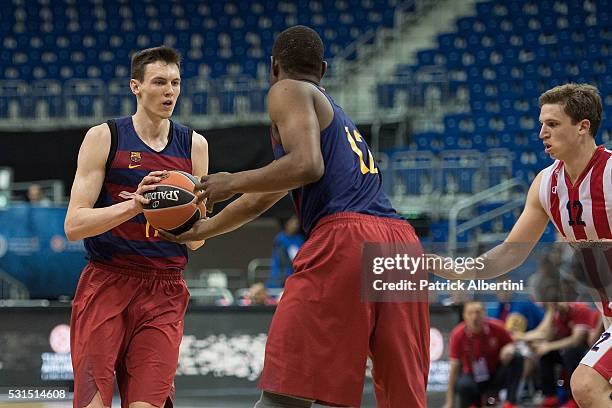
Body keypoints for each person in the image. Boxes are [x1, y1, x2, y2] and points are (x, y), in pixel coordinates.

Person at [160, 26, 430, 407]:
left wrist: (229, 181)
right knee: (401, 392)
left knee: (291, 383)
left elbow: (306, 165)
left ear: (274, 68)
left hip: (348, 237)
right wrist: (203, 229)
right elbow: (266, 194)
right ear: (323, 67)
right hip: (400, 244)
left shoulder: (288, 90)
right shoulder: (334, 115)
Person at [434, 83, 612, 407]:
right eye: (541, 124)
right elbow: (512, 251)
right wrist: (463, 271)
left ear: (583, 127)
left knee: (586, 384)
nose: (542, 132)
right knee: (587, 385)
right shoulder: (546, 184)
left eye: (553, 124)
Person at [64, 46, 208, 408]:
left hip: (164, 289)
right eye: (159, 82)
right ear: (136, 87)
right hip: (108, 280)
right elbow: (74, 225)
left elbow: (197, 243)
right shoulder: (105, 137)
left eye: (175, 83)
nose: (169, 91)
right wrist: (135, 205)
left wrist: (187, 217)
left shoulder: (195, 145)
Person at [514, 302, 596, 407]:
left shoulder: (580, 309)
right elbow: (547, 336)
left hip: (586, 353)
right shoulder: (556, 314)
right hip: (566, 352)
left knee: (569, 352)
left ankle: (573, 399)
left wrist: (549, 346)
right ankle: (550, 396)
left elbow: (576, 340)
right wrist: (551, 313)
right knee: (545, 353)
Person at [444, 301, 524, 408]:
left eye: (478, 312)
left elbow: (513, 344)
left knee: (517, 357)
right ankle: (472, 404)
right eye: (470, 313)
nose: (474, 317)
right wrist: (449, 402)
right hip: (472, 379)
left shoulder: (498, 327)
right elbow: (454, 368)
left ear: (485, 313)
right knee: (463, 384)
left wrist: (509, 349)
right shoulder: (457, 334)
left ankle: (510, 402)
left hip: (495, 376)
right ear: (464, 316)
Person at [267, 215, 304, 288]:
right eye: (294, 222)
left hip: (296, 274)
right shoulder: (281, 239)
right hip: (281, 276)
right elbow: (282, 259)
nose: (297, 225)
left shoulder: (299, 239)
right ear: (287, 224)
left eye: (297, 223)